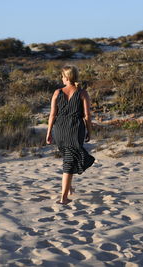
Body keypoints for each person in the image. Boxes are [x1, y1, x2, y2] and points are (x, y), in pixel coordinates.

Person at [46, 65, 95, 205]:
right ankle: (64, 197)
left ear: (67, 77)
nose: (61, 78)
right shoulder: (82, 93)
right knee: (69, 160)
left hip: (59, 129)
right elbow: (87, 116)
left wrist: (49, 132)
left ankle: (69, 188)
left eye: (62, 76)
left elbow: (52, 115)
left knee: (69, 157)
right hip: (75, 129)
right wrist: (89, 131)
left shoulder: (57, 92)